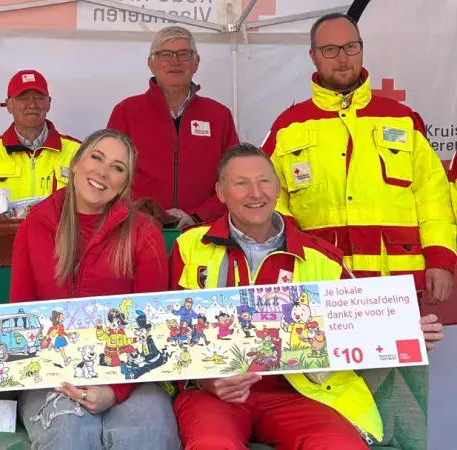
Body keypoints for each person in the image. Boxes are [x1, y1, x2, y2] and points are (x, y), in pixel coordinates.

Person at [168, 143, 444, 449]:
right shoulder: (189, 246)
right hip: (214, 393)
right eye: (241, 183)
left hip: (301, 391)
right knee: (212, 445)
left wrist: (407, 331)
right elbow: (166, 331)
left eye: (264, 181)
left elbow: (358, 323)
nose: (255, 193)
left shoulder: (322, 257)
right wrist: (209, 380)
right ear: (221, 192)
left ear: (277, 187)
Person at [262, 13, 456, 303]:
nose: (342, 58)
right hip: (321, 283)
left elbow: (433, 195)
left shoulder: (402, 119)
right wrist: (291, 242)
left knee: (401, 352)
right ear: (313, 56)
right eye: (330, 50)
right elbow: (267, 196)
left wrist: (441, 259)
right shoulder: (289, 125)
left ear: (362, 49)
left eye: (351, 47)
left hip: (398, 286)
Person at [9, 129, 180, 449]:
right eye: (96, 158)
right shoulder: (36, 223)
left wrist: (115, 390)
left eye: (117, 167)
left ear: (124, 184)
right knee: (70, 433)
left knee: (146, 436)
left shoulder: (144, 233)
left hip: (132, 374)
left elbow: (151, 326)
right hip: (52, 373)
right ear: (75, 163)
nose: (102, 171)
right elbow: (21, 314)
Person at [107, 26, 239, 229]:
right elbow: (109, 177)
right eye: (165, 55)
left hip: (204, 231)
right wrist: (141, 214)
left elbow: (234, 178)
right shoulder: (126, 112)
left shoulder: (219, 115)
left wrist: (197, 216)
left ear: (196, 63)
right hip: (137, 230)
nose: (175, 62)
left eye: (183, 54)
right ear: (151, 64)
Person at [0, 70, 81, 201]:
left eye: (39, 98)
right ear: (9, 105)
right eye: (23, 98)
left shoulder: (77, 152)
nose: (32, 105)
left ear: (48, 103)